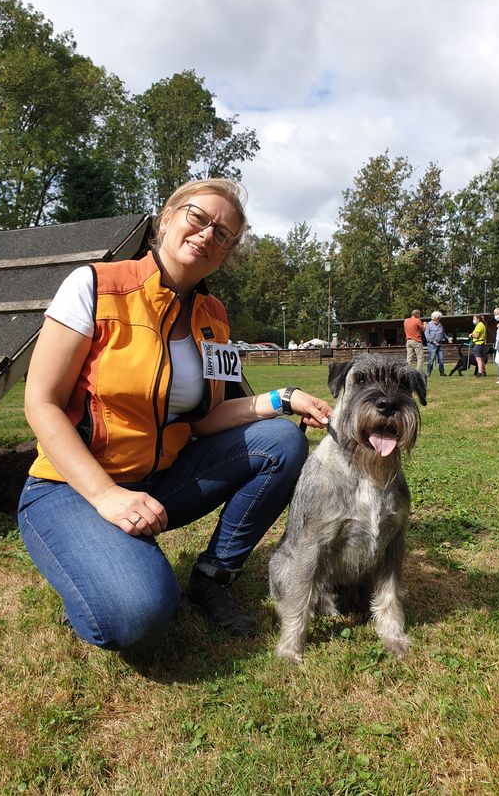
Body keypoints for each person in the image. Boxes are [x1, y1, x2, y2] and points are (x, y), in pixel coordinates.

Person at [17, 178, 332, 652]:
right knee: (136, 613)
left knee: (282, 442)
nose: (208, 235)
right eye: (198, 218)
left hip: (161, 483)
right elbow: (40, 402)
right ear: (165, 219)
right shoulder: (94, 286)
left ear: (226, 253)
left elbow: (205, 418)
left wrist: (284, 398)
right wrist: (106, 495)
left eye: (223, 234)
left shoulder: (214, 315)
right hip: (71, 488)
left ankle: (212, 577)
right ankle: (98, 570)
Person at [424, 311, 453, 376]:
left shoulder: (440, 325)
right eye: (438, 317)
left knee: (441, 359)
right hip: (431, 344)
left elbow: (442, 333)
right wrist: (433, 341)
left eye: (439, 317)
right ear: (434, 318)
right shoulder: (429, 324)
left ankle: (442, 373)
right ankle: (428, 373)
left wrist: (448, 338)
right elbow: (426, 334)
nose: (439, 318)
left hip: (439, 344)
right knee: (431, 359)